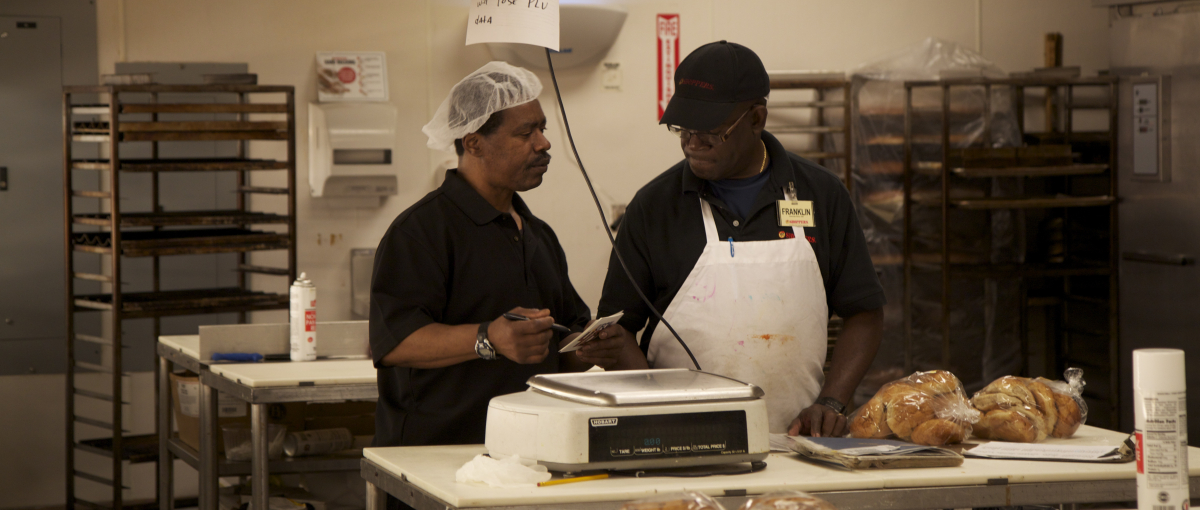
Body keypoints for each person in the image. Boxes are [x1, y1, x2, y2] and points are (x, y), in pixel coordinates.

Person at [597, 41, 885, 437]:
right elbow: (620, 330)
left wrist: (831, 402)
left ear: (756, 119)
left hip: (796, 439)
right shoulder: (654, 207)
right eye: (683, 129)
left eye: (712, 132)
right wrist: (654, 410)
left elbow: (865, 313)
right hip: (677, 438)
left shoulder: (820, 195)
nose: (692, 143)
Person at [369, 62, 635, 462]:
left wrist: (591, 349)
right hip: (435, 458)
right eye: (525, 133)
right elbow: (395, 342)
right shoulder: (421, 232)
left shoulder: (536, 234)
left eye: (542, 129)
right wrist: (488, 338)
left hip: (524, 455)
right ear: (473, 142)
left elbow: (560, 345)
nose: (543, 144)